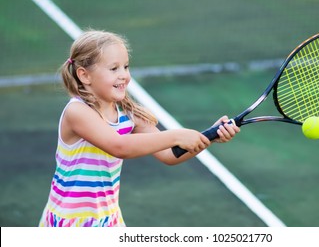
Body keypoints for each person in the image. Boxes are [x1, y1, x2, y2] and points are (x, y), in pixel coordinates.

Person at [39, 30, 240, 227]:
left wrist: (210, 136)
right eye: (114, 69)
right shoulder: (78, 112)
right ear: (85, 75)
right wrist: (177, 135)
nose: (124, 75)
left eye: (125, 67)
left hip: (108, 220)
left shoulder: (128, 112)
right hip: (71, 222)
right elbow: (120, 146)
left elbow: (170, 155)